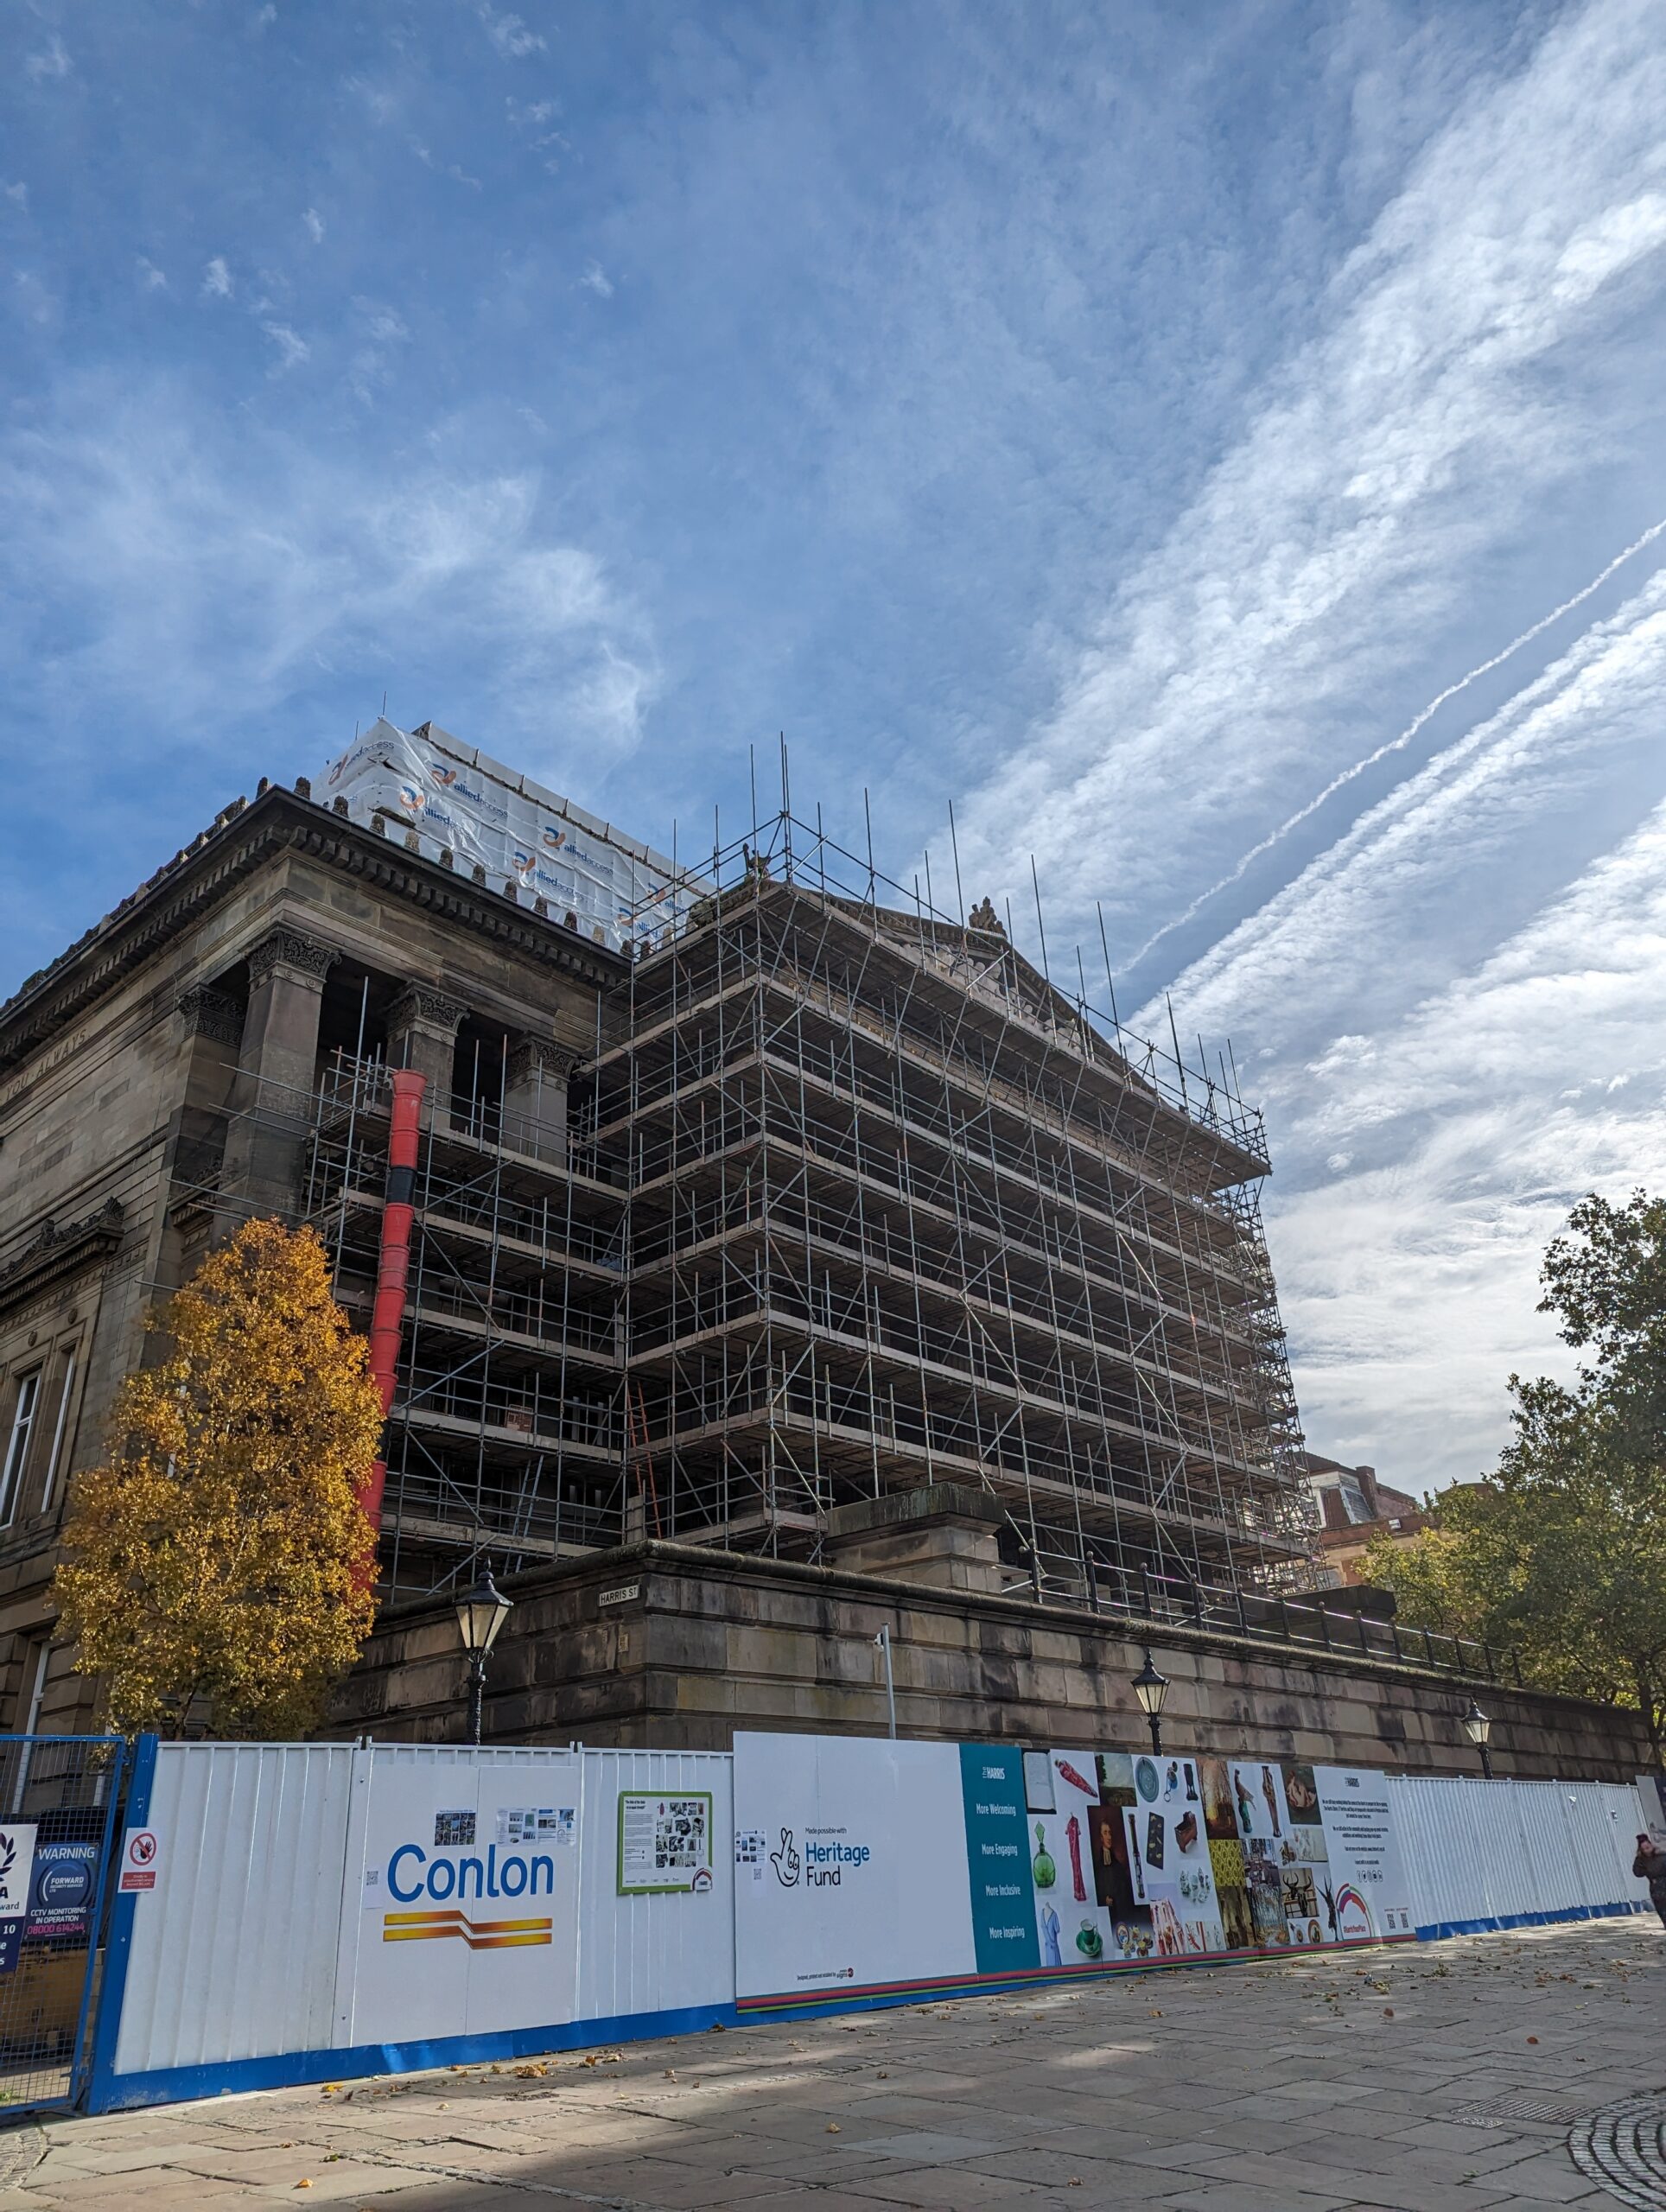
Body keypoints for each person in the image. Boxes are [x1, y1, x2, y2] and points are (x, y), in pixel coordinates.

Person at [1632, 1834, 1666, 1929]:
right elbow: (1637, 1872)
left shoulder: (1662, 1856)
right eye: (1644, 1849)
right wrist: (1641, 1862)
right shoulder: (1641, 1860)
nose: (1647, 1850)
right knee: (1663, 1912)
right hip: (1657, 1890)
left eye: (1648, 1847)